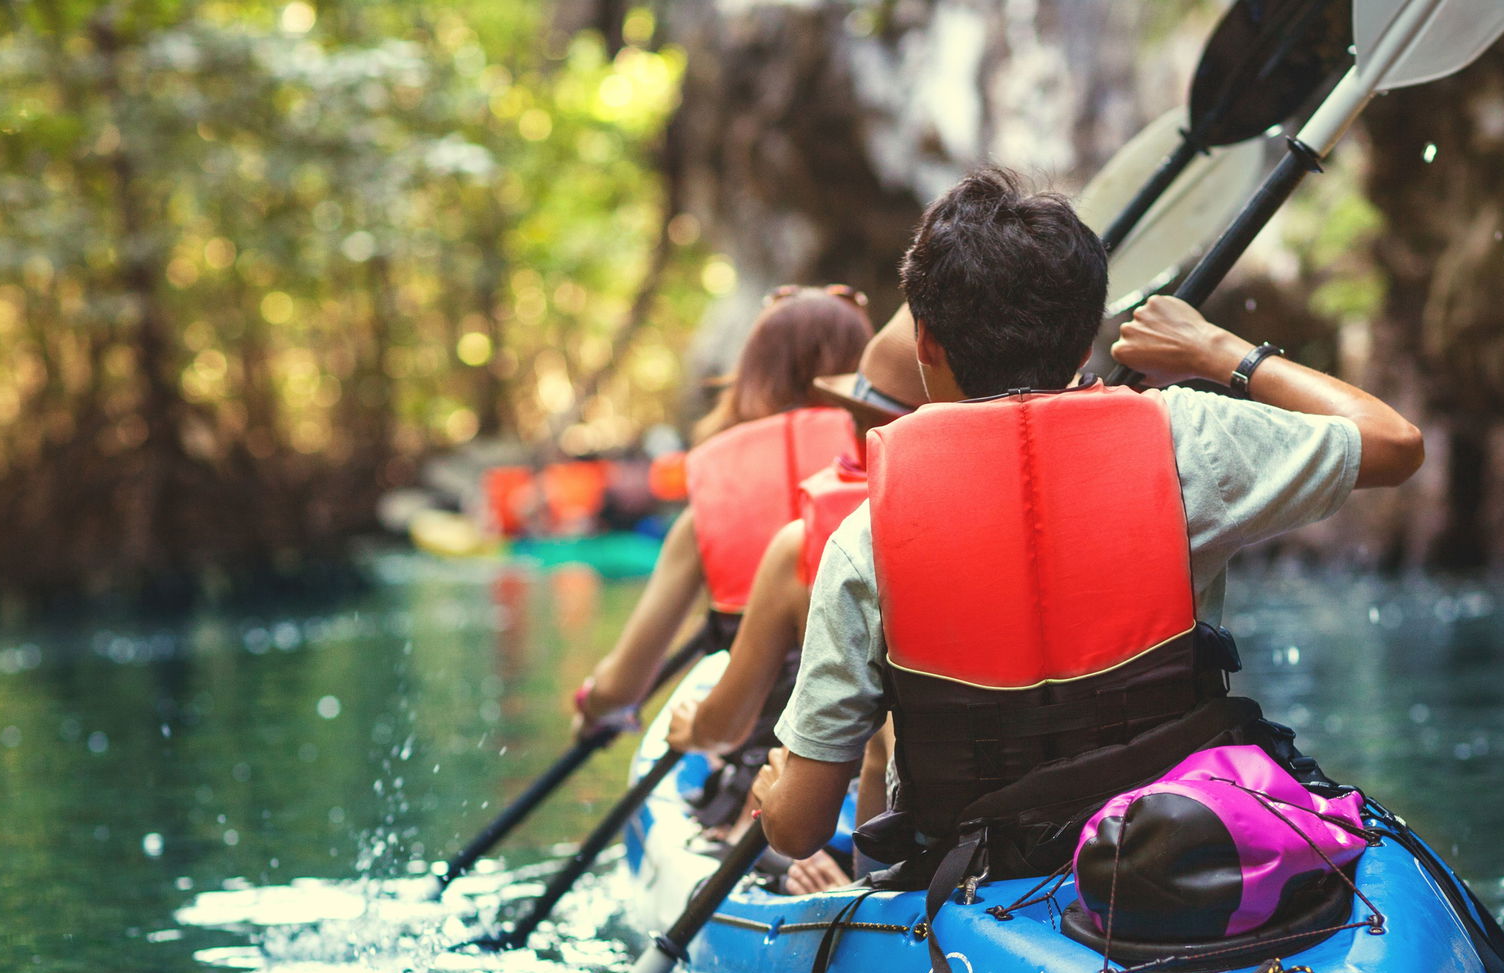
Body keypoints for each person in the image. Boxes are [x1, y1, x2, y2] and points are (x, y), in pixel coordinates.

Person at [746, 167, 1425, 890]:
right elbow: (1393, 441)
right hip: (1180, 851)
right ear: (1081, 345)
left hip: (980, 880)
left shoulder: (867, 537)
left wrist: (770, 789)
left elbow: (800, 826)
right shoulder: (1185, 440)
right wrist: (1217, 351)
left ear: (925, 344)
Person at [663, 310, 930, 892]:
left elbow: (728, 733)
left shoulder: (809, 545)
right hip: (972, 838)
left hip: (830, 815)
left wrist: (693, 735)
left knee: (768, 809)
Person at [569, 286, 871, 758]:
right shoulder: (897, 470)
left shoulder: (706, 510)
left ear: (753, 374)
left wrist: (593, 705)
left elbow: (623, 686)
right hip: (881, 754)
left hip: (761, 759)